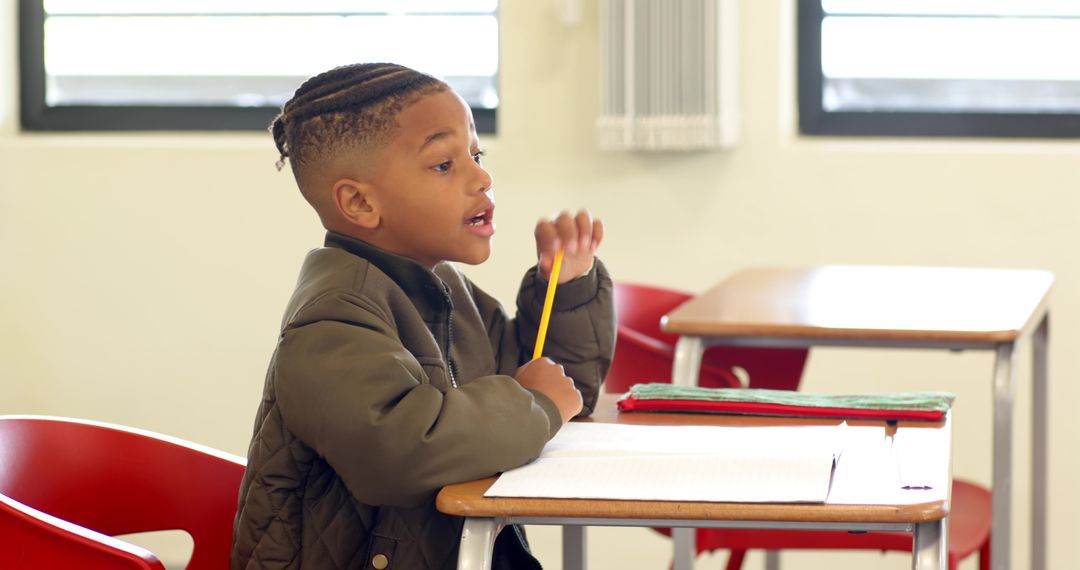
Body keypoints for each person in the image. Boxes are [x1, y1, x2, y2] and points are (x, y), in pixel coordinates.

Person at [231, 62, 615, 570]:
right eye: (444, 164)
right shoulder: (332, 320)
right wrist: (536, 402)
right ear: (360, 203)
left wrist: (563, 291)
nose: (482, 176)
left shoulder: (443, 290)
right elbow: (403, 452)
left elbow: (558, 389)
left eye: (476, 154)